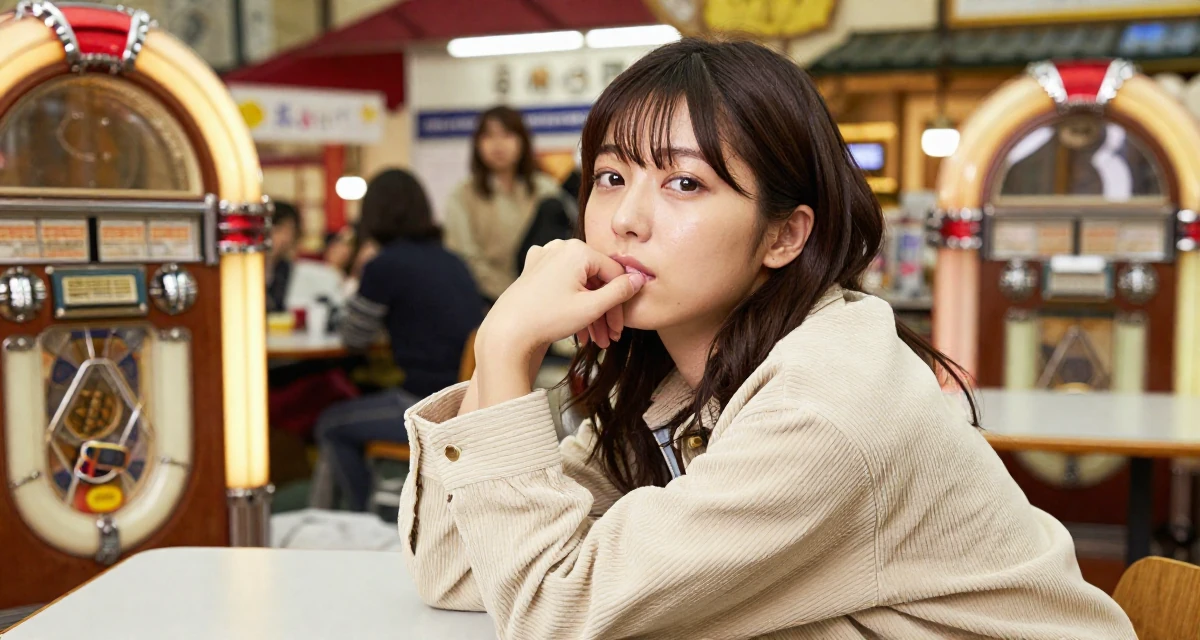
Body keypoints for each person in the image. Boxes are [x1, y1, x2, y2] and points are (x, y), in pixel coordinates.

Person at [398, 39, 1135, 639]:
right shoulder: (677, 379)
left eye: (684, 184)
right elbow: (462, 571)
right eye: (611, 175)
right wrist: (511, 351)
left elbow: (556, 611)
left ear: (783, 235)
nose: (627, 218)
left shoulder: (823, 404)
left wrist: (500, 349)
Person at [315, 168, 482, 511]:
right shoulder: (453, 262)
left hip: (422, 403)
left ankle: (361, 517)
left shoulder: (385, 265)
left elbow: (354, 338)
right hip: (467, 401)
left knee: (329, 423)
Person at [443, 105, 569, 304]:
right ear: (477, 144)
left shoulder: (546, 189)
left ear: (522, 141)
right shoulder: (463, 195)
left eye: (507, 135)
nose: (498, 144)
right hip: (486, 301)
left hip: (545, 298)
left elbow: (566, 247)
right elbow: (464, 258)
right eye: (489, 136)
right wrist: (512, 294)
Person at [265, 201, 300, 313]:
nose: (285, 238)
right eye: (278, 230)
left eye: (289, 231)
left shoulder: (286, 268)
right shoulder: (246, 269)